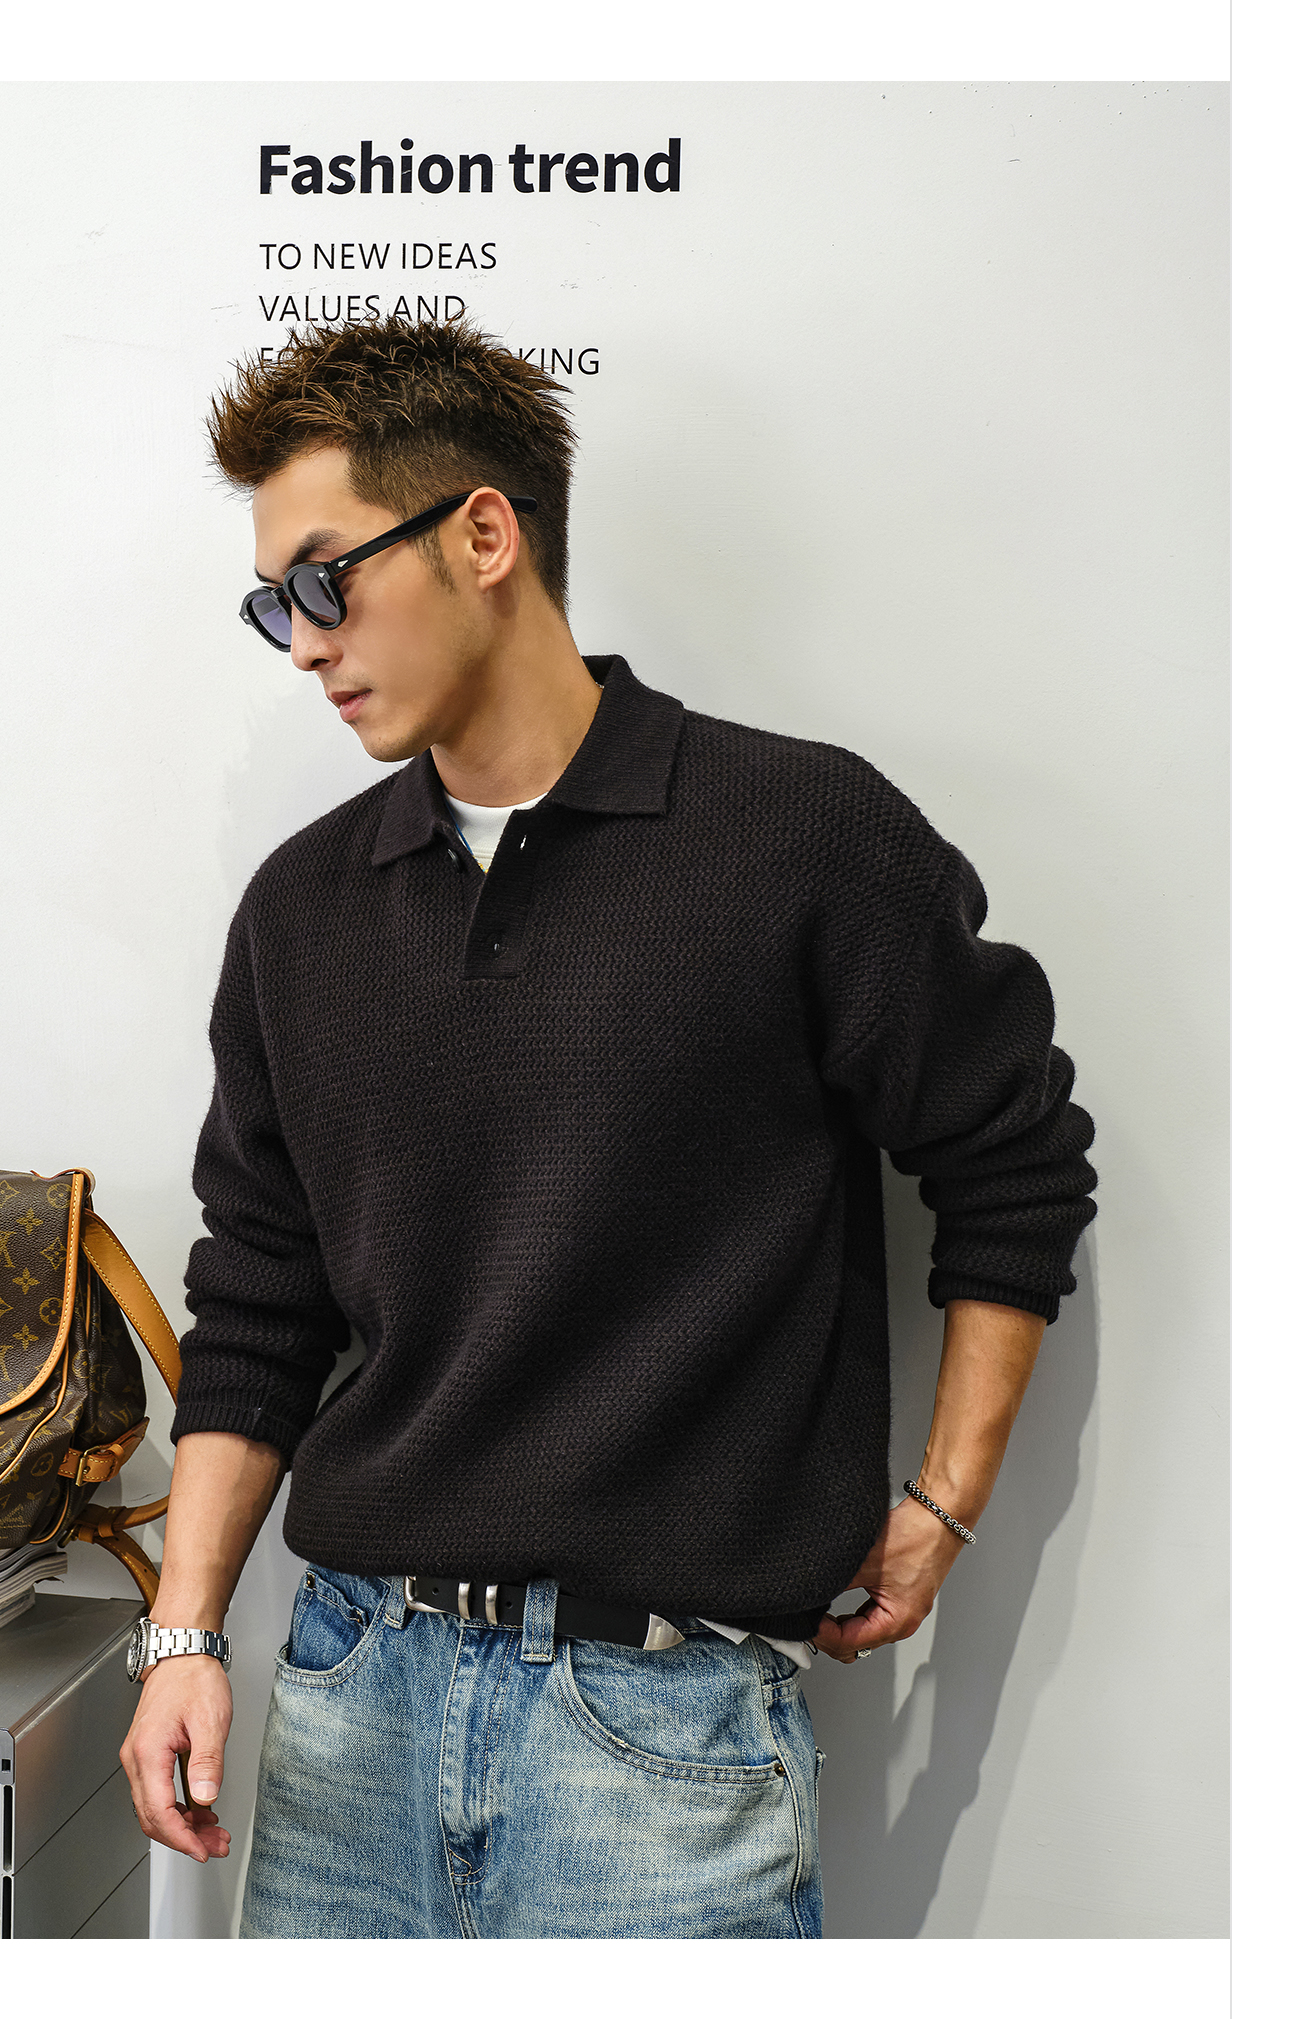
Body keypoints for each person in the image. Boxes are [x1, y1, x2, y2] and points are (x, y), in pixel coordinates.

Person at [117, 315, 1097, 1939]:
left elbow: (1013, 1164)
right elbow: (261, 1292)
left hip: (660, 1738)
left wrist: (941, 1509)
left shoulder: (800, 836)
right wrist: (185, 1636)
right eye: (272, 604)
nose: (300, 644)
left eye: (322, 582)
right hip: (351, 1705)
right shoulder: (303, 907)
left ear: (483, 535)